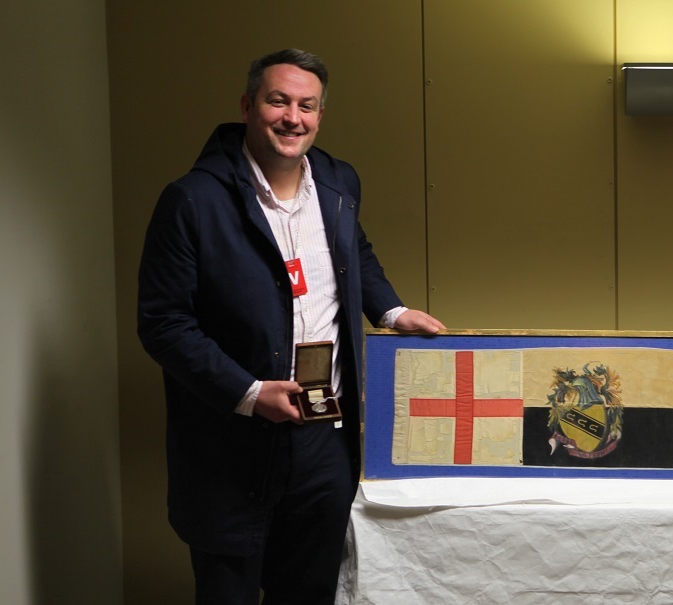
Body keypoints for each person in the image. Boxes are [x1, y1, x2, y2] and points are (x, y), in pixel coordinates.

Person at [137, 48, 445, 604]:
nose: (292, 117)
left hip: (325, 433)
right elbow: (162, 323)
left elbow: (357, 254)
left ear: (320, 115)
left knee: (309, 590)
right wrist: (250, 394)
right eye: (278, 101)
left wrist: (392, 312)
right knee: (227, 593)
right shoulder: (191, 200)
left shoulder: (337, 180)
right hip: (230, 442)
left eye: (307, 106)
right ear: (248, 105)